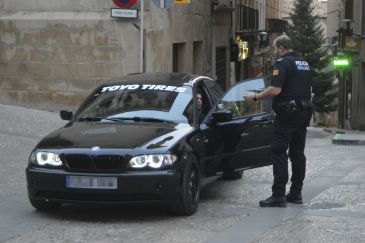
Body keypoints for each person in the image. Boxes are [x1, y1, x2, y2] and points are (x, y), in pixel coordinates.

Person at [244, 35, 313, 207]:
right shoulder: (303, 63)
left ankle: (278, 195)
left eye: (275, 48)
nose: (274, 52)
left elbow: (275, 90)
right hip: (304, 112)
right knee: (297, 153)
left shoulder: (282, 64)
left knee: (278, 152)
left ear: (281, 48)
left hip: (287, 114)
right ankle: (296, 193)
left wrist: (255, 97)